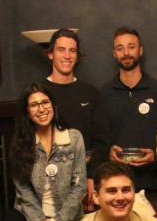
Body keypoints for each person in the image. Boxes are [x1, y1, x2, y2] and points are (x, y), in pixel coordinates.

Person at [0, 83, 88, 221]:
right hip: (31, 214)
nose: (41, 109)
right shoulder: (20, 143)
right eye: (33, 105)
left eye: (45, 102)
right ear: (27, 112)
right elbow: (23, 191)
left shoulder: (74, 138)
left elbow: (79, 187)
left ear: (53, 105)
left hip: (66, 214)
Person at [99, 27, 157, 204]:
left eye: (131, 47)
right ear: (114, 54)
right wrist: (108, 151)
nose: (126, 52)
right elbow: (98, 140)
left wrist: (155, 156)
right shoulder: (103, 95)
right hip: (115, 187)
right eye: (120, 48)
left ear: (140, 51)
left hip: (153, 187)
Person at [43, 28, 108, 185]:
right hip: (46, 178)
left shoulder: (91, 93)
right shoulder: (38, 93)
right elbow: (24, 141)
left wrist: (92, 176)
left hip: (84, 177)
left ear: (77, 57)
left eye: (72, 51)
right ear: (51, 54)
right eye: (61, 50)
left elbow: (101, 141)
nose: (67, 56)